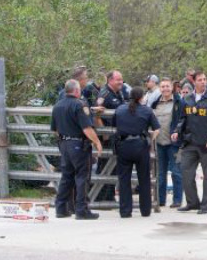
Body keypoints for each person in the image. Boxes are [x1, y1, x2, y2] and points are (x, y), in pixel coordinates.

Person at [51, 79, 103, 220]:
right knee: (82, 177)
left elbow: (54, 130)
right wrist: (97, 142)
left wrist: (64, 139)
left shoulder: (57, 106)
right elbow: (87, 128)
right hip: (78, 145)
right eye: (79, 88)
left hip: (64, 144)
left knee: (66, 176)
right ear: (76, 90)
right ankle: (82, 210)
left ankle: (61, 208)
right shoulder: (79, 105)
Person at [173, 71, 207, 214]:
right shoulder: (187, 99)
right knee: (186, 173)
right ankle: (192, 202)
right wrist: (177, 131)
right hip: (190, 142)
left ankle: (205, 205)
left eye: (204, 79)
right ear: (193, 82)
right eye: (200, 79)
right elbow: (182, 118)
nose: (203, 82)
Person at [112, 87, 160, 218]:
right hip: (140, 145)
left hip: (123, 146)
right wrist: (150, 139)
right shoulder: (147, 110)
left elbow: (114, 125)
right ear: (141, 98)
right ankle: (145, 210)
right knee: (144, 178)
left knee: (124, 179)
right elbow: (156, 129)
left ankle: (125, 211)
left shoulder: (120, 109)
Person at [151, 78, 184, 208]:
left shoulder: (179, 102)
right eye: (163, 87)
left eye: (167, 86)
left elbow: (182, 120)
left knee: (176, 172)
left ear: (172, 87)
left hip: (173, 143)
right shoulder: (155, 103)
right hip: (158, 143)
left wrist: (177, 132)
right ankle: (161, 199)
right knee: (160, 173)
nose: (165, 89)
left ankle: (177, 200)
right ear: (160, 88)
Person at [95, 70, 126, 202]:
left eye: (121, 79)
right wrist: (104, 133)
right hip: (108, 137)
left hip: (117, 135)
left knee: (113, 168)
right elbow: (97, 115)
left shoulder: (119, 92)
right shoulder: (104, 94)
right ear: (110, 80)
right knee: (105, 166)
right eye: (118, 80)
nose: (121, 82)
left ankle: (109, 196)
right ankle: (101, 196)